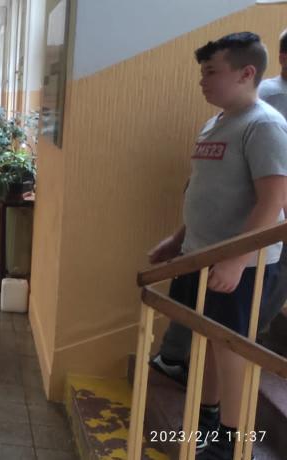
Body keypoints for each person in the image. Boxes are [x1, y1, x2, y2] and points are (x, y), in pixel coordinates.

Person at [147, 32, 287, 460]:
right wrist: (178, 239)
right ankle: (207, 417)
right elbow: (202, 189)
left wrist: (237, 259)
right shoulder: (216, 122)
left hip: (242, 267)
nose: (202, 81)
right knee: (206, 340)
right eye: (202, 72)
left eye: (211, 72)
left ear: (247, 73)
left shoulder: (264, 125)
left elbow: (273, 201)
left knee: (231, 349)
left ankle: (232, 439)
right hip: (201, 254)